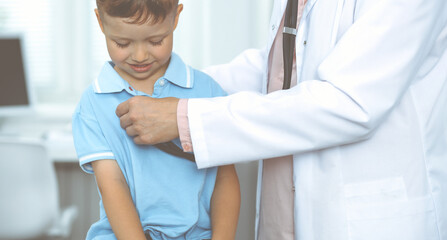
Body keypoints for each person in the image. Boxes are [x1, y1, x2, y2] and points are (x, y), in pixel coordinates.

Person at [115, 0, 447, 239]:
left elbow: (349, 101)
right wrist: (170, 88)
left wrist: (185, 117)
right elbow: (279, 69)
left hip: (368, 221)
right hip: (285, 209)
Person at [71, 0, 240, 240]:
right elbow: (113, 185)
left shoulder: (208, 91)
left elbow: (224, 176)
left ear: (176, 18)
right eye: (122, 43)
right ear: (100, 21)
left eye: (155, 41)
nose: (140, 56)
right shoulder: (92, 104)